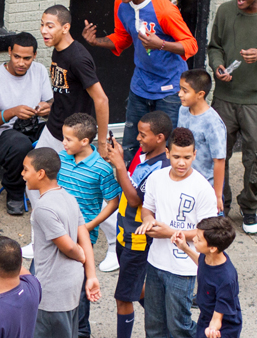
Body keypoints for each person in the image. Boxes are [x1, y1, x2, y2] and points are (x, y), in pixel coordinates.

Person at [27, 5, 117, 269]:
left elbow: (101, 99)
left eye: (50, 26)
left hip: (74, 137)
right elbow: (69, 88)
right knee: (33, 183)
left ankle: (114, 248)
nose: (44, 30)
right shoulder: (58, 49)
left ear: (65, 27)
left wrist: (100, 142)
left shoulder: (78, 56)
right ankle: (41, 238)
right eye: (42, 24)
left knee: (93, 193)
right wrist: (53, 105)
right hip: (53, 129)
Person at [135, 128, 218, 338]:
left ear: (194, 154)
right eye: (176, 157)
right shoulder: (157, 178)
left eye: (187, 157)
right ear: (168, 153)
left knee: (179, 325)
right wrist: (148, 220)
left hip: (183, 268)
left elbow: (208, 232)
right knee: (155, 328)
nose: (181, 163)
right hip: (156, 263)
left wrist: (169, 232)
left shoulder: (202, 188)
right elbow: (147, 209)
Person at [97, 111, 172, 338]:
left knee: (123, 297)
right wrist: (120, 162)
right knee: (139, 289)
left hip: (138, 240)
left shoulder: (162, 167)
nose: (138, 138)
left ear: (160, 138)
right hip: (123, 231)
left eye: (143, 134)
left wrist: (118, 163)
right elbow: (127, 183)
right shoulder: (143, 155)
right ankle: (161, 329)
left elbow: (136, 199)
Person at [82, 0, 197, 163]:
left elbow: (191, 45)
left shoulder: (164, 10)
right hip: (140, 86)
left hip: (169, 89)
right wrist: (96, 41)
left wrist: (161, 44)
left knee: (168, 147)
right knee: (132, 145)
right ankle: (131, 184)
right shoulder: (121, 4)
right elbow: (123, 37)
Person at [22, 147, 101, 338]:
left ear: (41, 173)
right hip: (72, 284)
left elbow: (67, 245)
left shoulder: (43, 208)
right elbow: (83, 232)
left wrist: (80, 255)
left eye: (26, 169)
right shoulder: (68, 197)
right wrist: (91, 274)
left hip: (50, 289)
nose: (23, 174)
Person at [57, 113, 121, 338]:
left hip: (82, 237)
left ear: (85, 141)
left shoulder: (102, 169)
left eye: (68, 139)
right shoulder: (62, 159)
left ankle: (81, 331)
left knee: (80, 284)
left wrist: (90, 226)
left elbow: (113, 201)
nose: (63, 143)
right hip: (57, 231)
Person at [0, 31, 53, 215]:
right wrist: (11, 112)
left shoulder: (40, 70)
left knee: (61, 133)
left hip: (33, 125)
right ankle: (15, 192)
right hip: (6, 133)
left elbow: (51, 102)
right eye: (17, 56)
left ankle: (55, 189)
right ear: (9, 52)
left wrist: (48, 107)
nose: (21, 63)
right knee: (21, 145)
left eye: (27, 58)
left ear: (34, 55)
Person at [207, 0, 257, 231]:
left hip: (254, 102)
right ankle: (220, 205)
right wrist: (217, 65)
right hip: (225, 98)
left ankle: (250, 208)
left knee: (254, 158)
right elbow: (214, 46)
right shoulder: (226, 10)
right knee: (217, 154)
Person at [171, 217, 242, 338]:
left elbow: (218, 317)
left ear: (212, 248)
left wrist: (212, 329)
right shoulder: (207, 256)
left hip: (222, 331)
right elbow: (202, 264)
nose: (194, 239)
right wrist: (184, 247)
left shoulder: (226, 279)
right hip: (205, 322)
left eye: (198, 239)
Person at [177, 69, 227, 214]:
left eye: (185, 91)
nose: (180, 94)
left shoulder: (213, 123)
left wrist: (217, 196)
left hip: (205, 188)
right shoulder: (183, 110)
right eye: (180, 89)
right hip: (184, 181)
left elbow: (219, 160)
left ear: (200, 94)